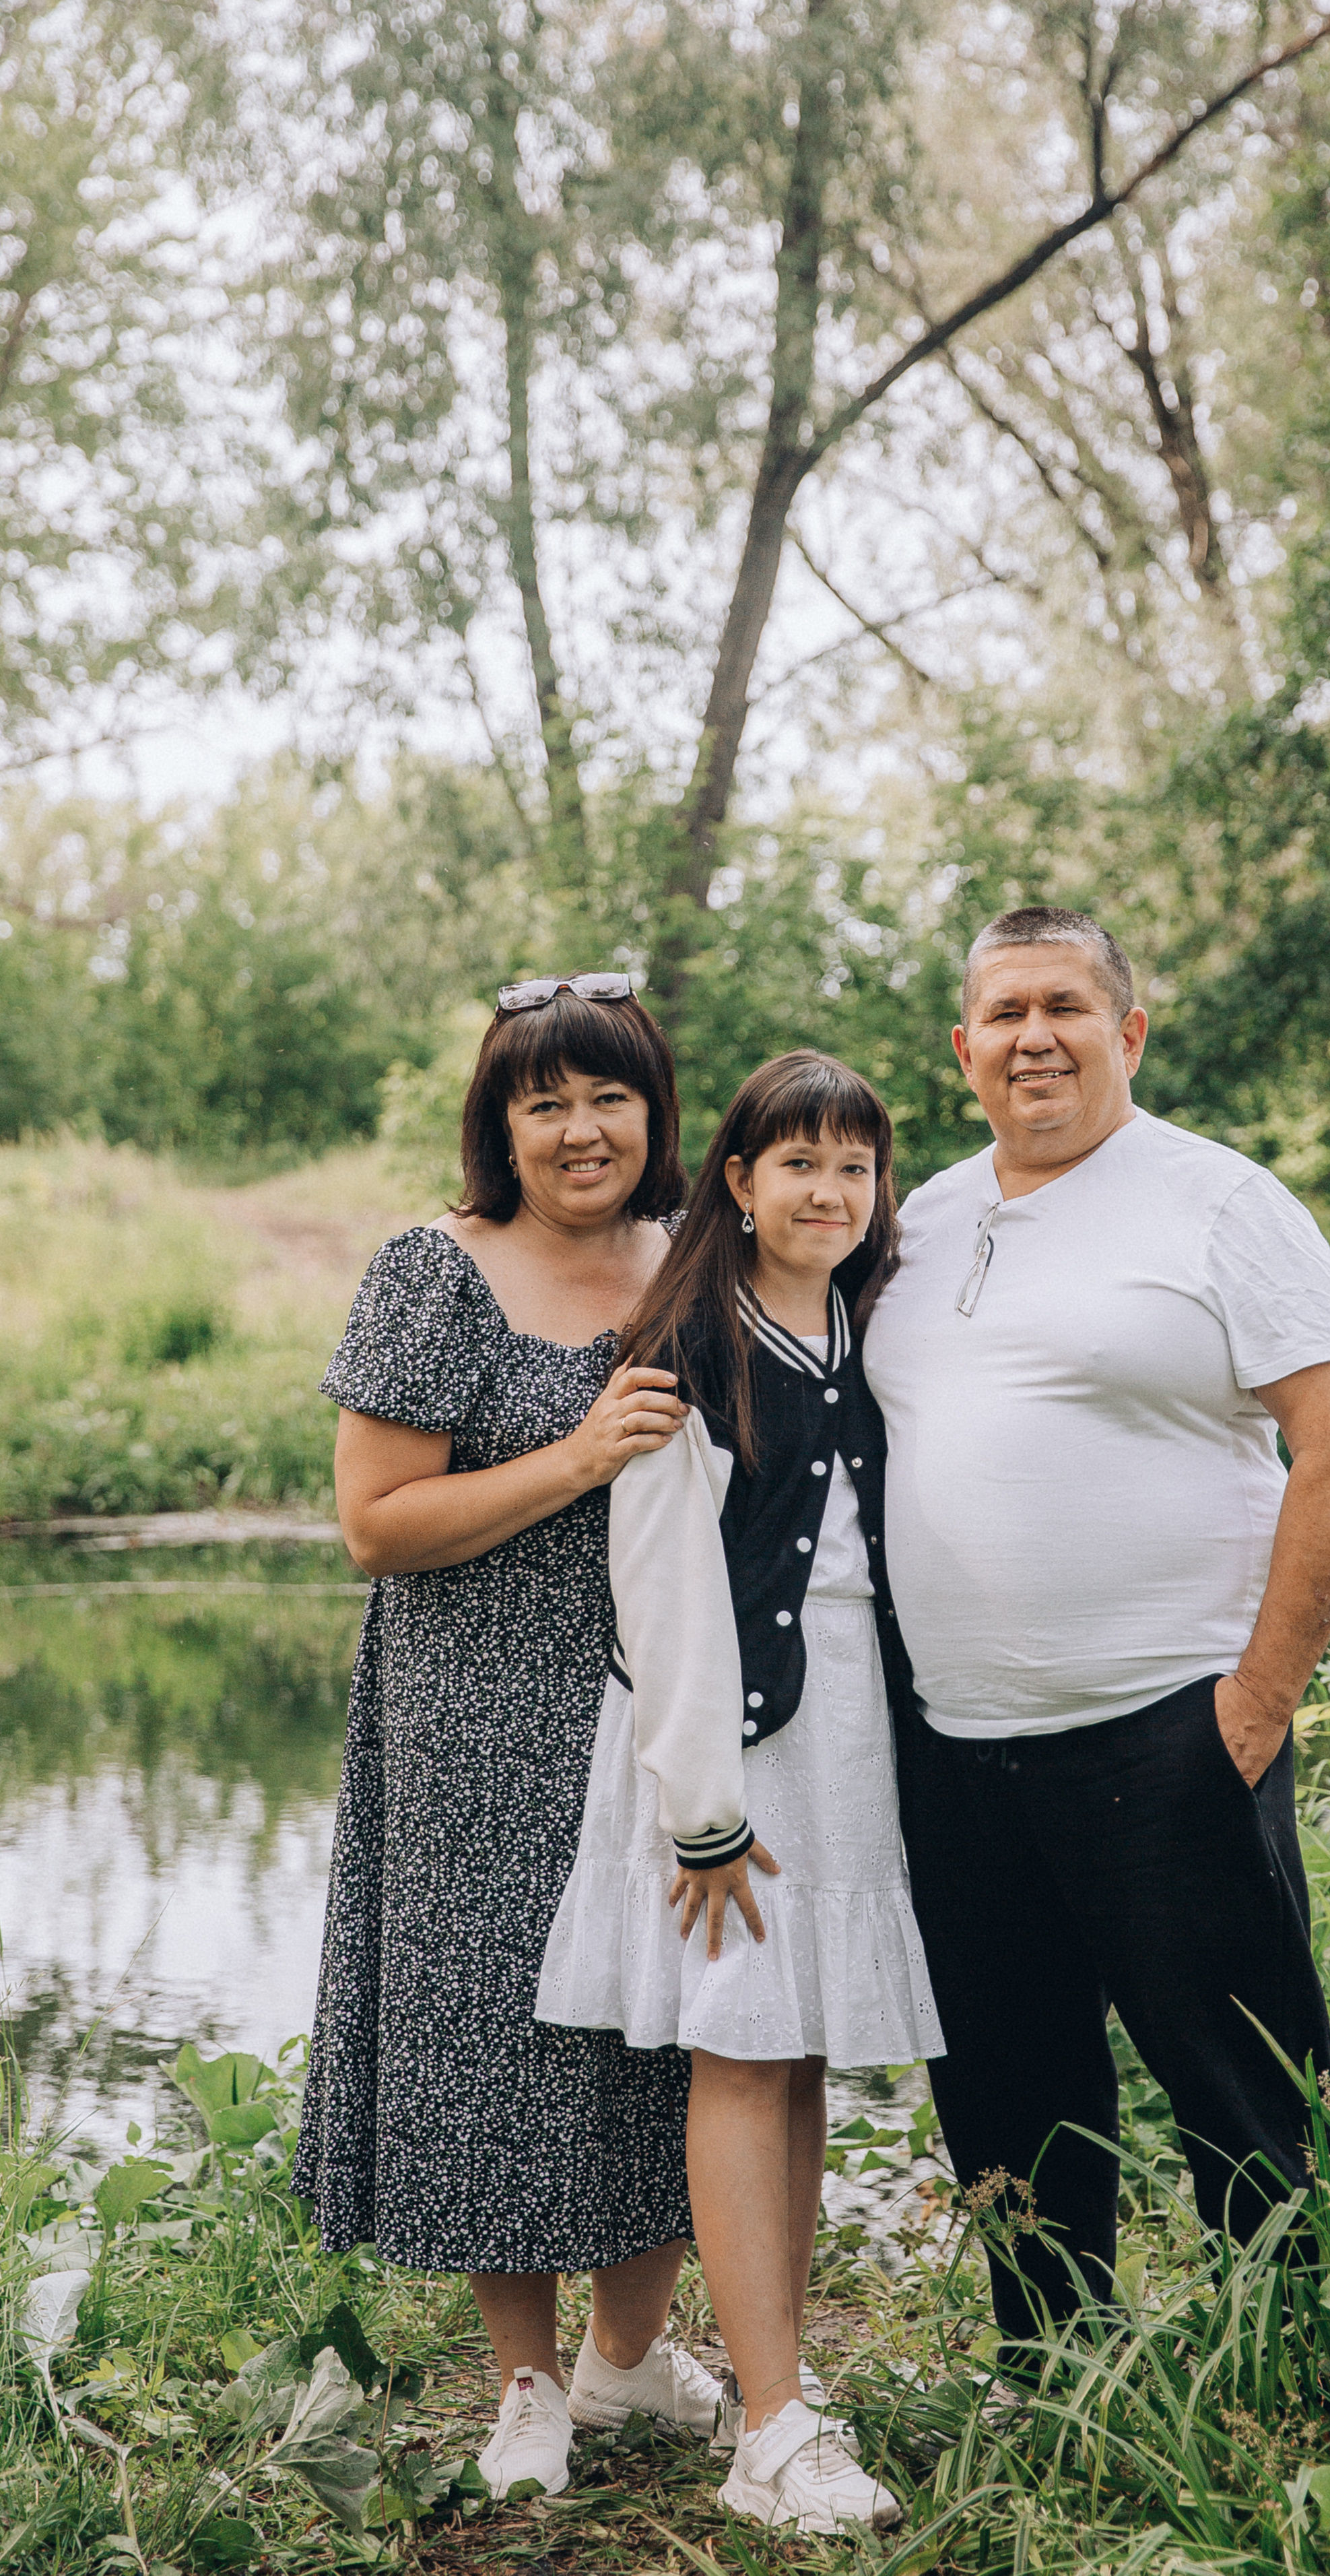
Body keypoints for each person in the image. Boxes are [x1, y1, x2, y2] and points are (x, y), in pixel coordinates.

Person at [863, 909, 1330, 2351]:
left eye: (1066, 1008)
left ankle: (1300, 2366)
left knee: (1242, 2086)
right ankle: (1053, 2376)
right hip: (958, 1751)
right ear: (962, 1049)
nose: (1033, 1038)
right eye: (1004, 1013)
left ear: (1128, 1032)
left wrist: (1256, 1703)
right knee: (1007, 2094)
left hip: (1169, 1733)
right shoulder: (915, 1223)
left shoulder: (1219, 1203)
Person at [294, 973, 724, 2503]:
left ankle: (629, 2356)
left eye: (610, 1095)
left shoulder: (698, 1259)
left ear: (655, 1112)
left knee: (663, 2023)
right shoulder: (436, 1272)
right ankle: (527, 2386)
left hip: (666, 1706)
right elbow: (375, 1525)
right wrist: (579, 1456)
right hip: (475, 1718)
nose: (581, 1128)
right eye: (545, 1103)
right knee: (496, 2033)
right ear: (501, 1125)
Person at [536, 1051, 942, 2536]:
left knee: (800, 2051)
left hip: (846, 1725)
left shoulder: (860, 1322)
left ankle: (769, 2379)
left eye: (854, 1165)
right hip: (729, 1734)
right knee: (744, 2056)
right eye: (799, 1163)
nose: (830, 1190)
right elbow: (658, 1595)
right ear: (739, 1181)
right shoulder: (686, 1346)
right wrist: (701, 1810)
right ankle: (769, 2436)